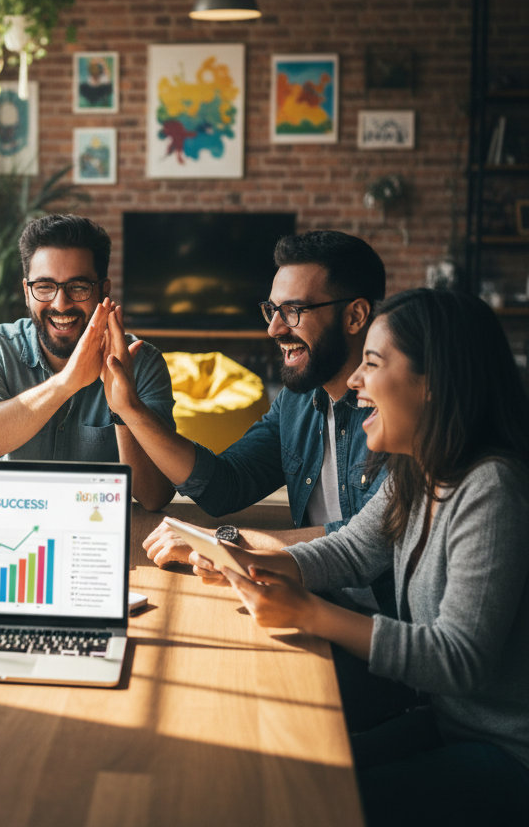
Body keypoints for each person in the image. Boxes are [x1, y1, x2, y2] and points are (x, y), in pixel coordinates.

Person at [185, 288, 529, 824]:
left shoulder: (491, 489)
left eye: (372, 363)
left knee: (315, 806)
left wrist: (310, 612)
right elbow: (352, 549)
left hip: (507, 753)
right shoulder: (418, 469)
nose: (353, 382)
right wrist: (257, 561)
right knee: (293, 776)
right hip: (446, 720)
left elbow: (459, 658)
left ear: (433, 384)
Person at [137, 232, 391, 603]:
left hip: (376, 625)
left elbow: (363, 541)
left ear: (355, 316)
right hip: (309, 599)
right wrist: (130, 408)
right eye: (272, 310)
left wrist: (223, 543)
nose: (274, 329)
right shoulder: (297, 402)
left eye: (293, 311)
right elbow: (224, 485)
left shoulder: (397, 414)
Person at [0, 214, 176, 510]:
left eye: (78, 287)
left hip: (99, 528)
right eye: (44, 286)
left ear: (103, 290)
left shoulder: (141, 362)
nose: (60, 304)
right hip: (14, 520)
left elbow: (155, 497)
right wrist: (67, 382)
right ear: (26, 291)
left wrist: (124, 409)